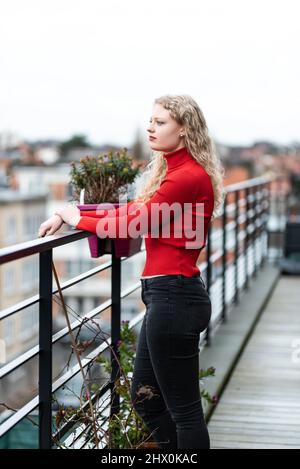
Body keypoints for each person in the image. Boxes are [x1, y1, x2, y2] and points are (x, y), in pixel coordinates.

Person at [38, 94, 224, 449]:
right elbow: (127, 214)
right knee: (146, 400)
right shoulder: (175, 172)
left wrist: (75, 217)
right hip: (168, 297)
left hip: (175, 297)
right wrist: (70, 213)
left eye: (161, 122)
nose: (150, 127)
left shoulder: (187, 177)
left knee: (184, 412)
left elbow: (135, 222)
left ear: (184, 130)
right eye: (150, 120)